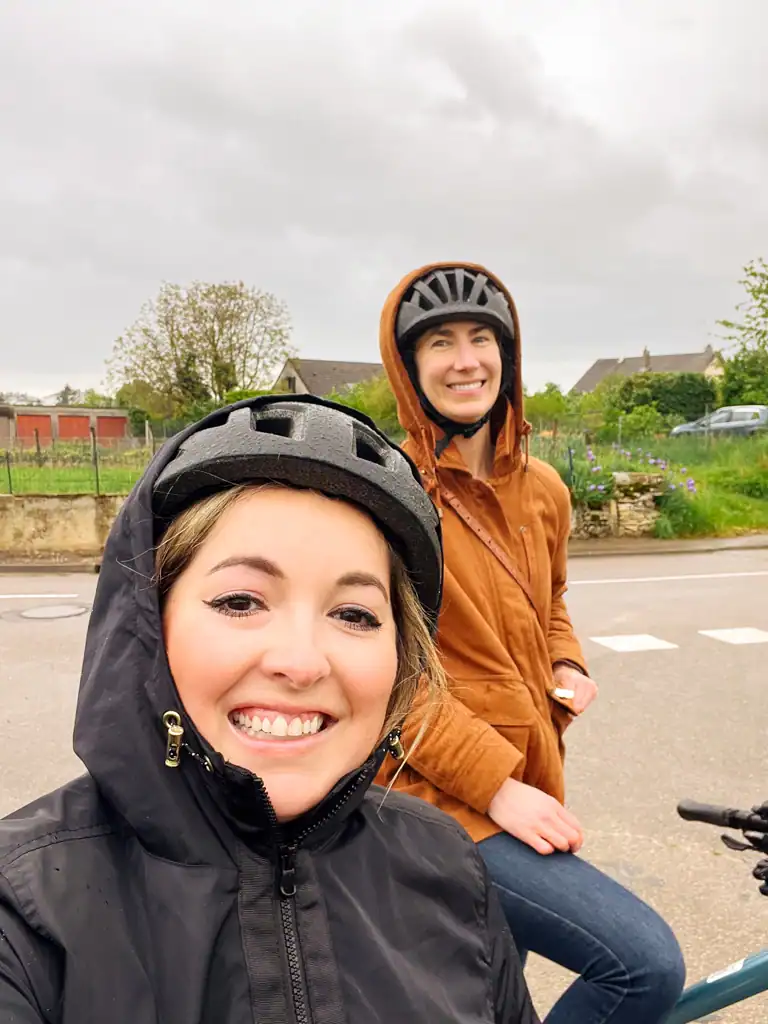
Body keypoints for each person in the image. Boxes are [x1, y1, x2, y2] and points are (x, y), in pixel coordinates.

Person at [0, 394, 540, 1023]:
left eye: (354, 614)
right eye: (240, 602)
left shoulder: (449, 867)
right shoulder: (24, 908)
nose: (302, 661)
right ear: (149, 625)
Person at [375, 263, 686, 1023]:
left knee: (483, 1001)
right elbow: (379, 672)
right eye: (439, 343)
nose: (465, 359)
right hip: (436, 800)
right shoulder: (386, 491)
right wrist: (495, 787)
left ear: (507, 356)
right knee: (643, 965)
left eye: (482, 337)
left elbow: (550, 601)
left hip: (529, 773)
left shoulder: (544, 488)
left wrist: (566, 660)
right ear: (410, 368)